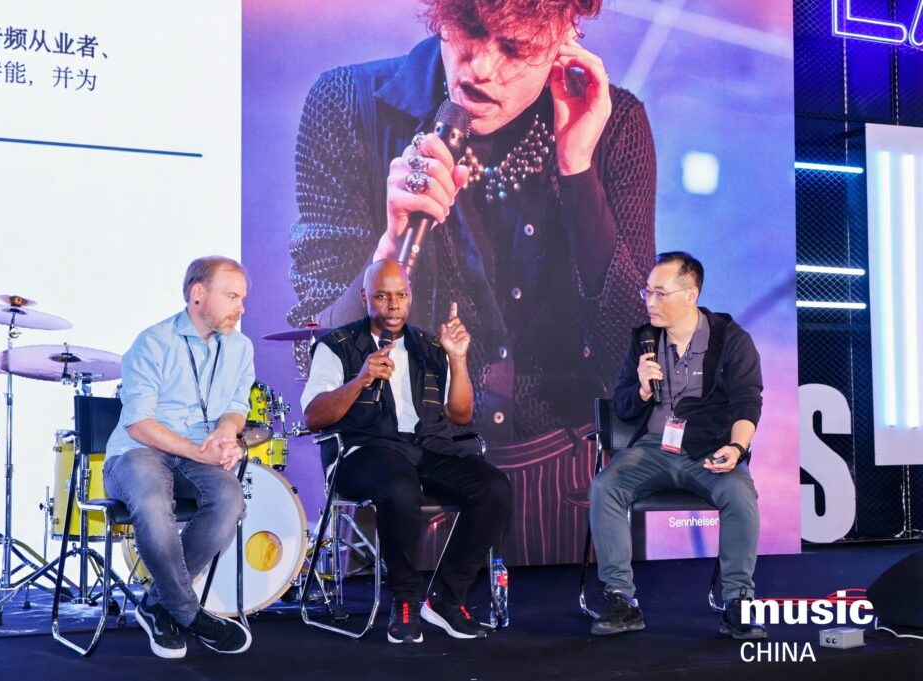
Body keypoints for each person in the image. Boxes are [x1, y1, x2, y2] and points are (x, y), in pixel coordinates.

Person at [288, 0, 655, 564]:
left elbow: (631, 364)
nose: (481, 67)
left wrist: (578, 171)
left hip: (570, 479)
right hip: (408, 471)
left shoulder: (615, 124)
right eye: (470, 32)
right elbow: (313, 361)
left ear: (566, 36)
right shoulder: (347, 106)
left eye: (515, 48)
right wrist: (388, 253)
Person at [301, 259, 512, 644]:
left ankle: (447, 599)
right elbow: (314, 416)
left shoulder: (430, 346)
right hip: (362, 451)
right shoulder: (337, 346)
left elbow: (460, 415)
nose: (393, 305)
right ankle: (404, 601)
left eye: (401, 295)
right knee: (399, 486)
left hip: (425, 447)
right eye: (382, 296)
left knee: (494, 487)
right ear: (366, 298)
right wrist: (361, 378)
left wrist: (458, 359)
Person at [588, 252, 767, 639]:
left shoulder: (730, 339)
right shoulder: (643, 339)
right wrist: (639, 388)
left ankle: (738, 602)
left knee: (739, 492)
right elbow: (622, 405)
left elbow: (747, 402)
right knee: (606, 485)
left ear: (690, 295)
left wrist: (736, 449)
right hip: (653, 447)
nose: (650, 301)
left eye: (659, 293)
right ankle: (621, 599)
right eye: (647, 292)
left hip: (707, 448)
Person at [103, 256, 255, 658]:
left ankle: (157, 604)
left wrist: (225, 433)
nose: (241, 308)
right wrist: (197, 451)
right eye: (232, 296)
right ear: (198, 295)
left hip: (195, 456)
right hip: (136, 453)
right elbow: (138, 424)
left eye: (242, 298)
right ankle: (189, 612)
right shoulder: (152, 342)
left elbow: (237, 406)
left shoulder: (240, 347)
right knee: (154, 501)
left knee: (230, 499)